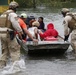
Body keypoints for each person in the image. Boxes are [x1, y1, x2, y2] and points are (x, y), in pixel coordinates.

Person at [0, 1, 24, 68]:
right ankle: (16, 69)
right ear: (15, 8)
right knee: (15, 51)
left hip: (1, 34)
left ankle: (1, 67)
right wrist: (20, 32)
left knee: (5, 51)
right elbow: (15, 23)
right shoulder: (13, 14)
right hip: (9, 34)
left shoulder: (2, 14)